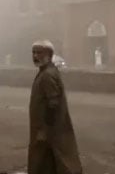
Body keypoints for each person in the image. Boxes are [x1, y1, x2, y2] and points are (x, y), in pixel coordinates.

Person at [28, 40, 82, 174]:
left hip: (49, 128)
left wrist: (45, 129)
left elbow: (53, 103)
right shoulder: (46, 71)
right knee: (47, 160)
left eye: (39, 52)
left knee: (60, 158)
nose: (35, 56)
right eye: (34, 52)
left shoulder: (47, 75)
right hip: (47, 128)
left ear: (49, 54)